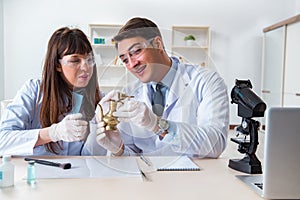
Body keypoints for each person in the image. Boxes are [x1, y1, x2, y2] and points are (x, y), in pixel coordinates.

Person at [95, 17, 229, 158]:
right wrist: (119, 149)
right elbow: (134, 155)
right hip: (149, 177)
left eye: (136, 51)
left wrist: (158, 125)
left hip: (193, 177)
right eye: (125, 60)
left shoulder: (206, 81)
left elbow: (216, 144)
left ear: (157, 44)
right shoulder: (129, 92)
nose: (132, 64)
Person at [0, 27, 106, 156]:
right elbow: (3, 141)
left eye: (89, 60)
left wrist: (99, 129)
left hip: (78, 174)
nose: (85, 67)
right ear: (57, 65)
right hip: (36, 173)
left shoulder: (98, 99)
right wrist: (53, 133)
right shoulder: (34, 91)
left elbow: (90, 158)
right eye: (75, 60)